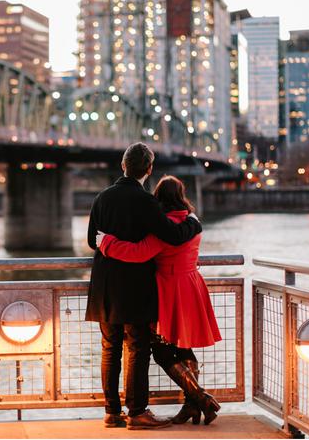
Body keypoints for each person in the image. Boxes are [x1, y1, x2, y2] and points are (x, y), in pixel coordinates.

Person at [85, 143, 203, 430]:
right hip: (134, 287)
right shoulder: (145, 201)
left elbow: (92, 241)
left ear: (123, 166)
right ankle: (137, 412)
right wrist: (194, 224)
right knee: (137, 348)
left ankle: (112, 412)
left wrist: (107, 244)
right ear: (148, 170)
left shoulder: (102, 198)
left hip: (103, 286)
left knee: (110, 348)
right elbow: (173, 236)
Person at [96, 175, 222, 425]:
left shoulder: (161, 229)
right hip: (192, 286)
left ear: (158, 198)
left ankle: (201, 400)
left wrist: (106, 243)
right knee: (184, 346)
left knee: (163, 350)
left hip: (168, 290)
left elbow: (138, 252)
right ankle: (192, 406)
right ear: (181, 195)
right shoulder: (191, 222)